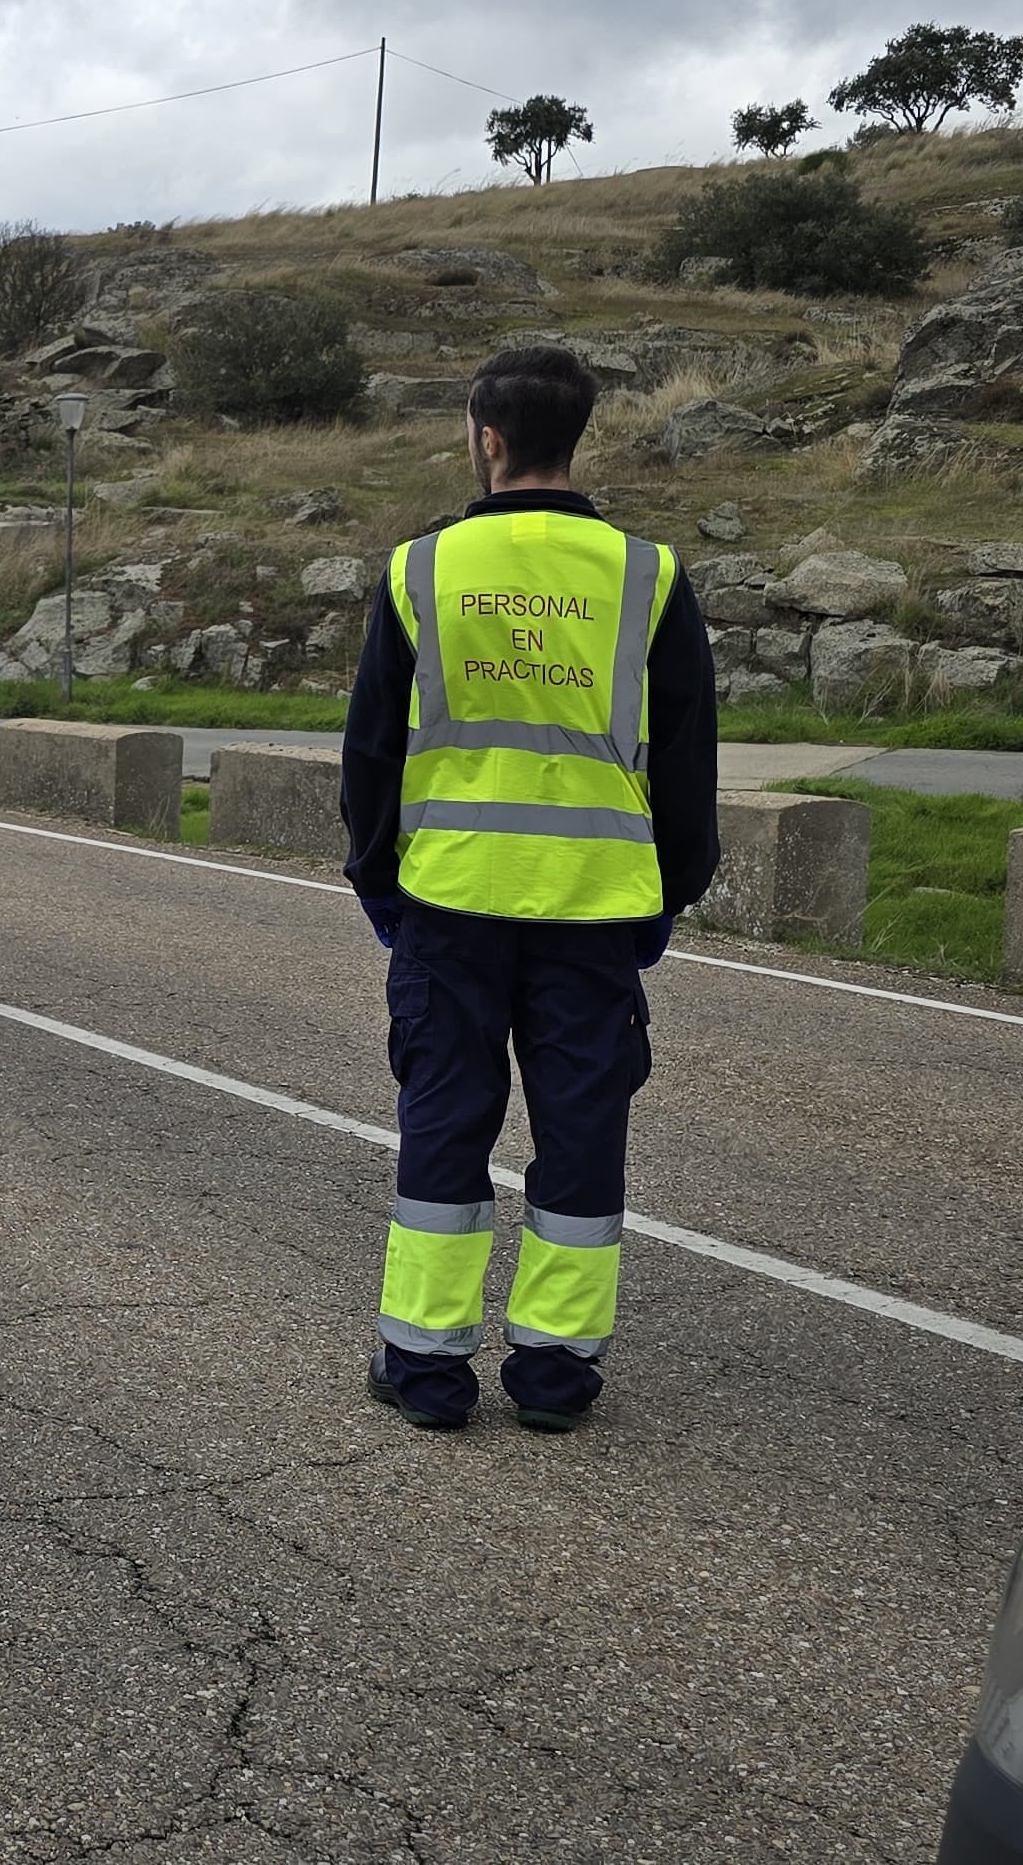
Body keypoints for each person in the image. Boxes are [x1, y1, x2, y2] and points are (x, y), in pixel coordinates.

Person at [338, 345, 716, 1434]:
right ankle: (554, 1376)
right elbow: (687, 758)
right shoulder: (647, 574)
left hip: (449, 901)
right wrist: (665, 894)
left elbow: (371, 754)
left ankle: (425, 1369)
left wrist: (380, 883)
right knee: (583, 1131)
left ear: (485, 437)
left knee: (445, 1127)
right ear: (574, 435)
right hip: (596, 906)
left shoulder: (420, 570)